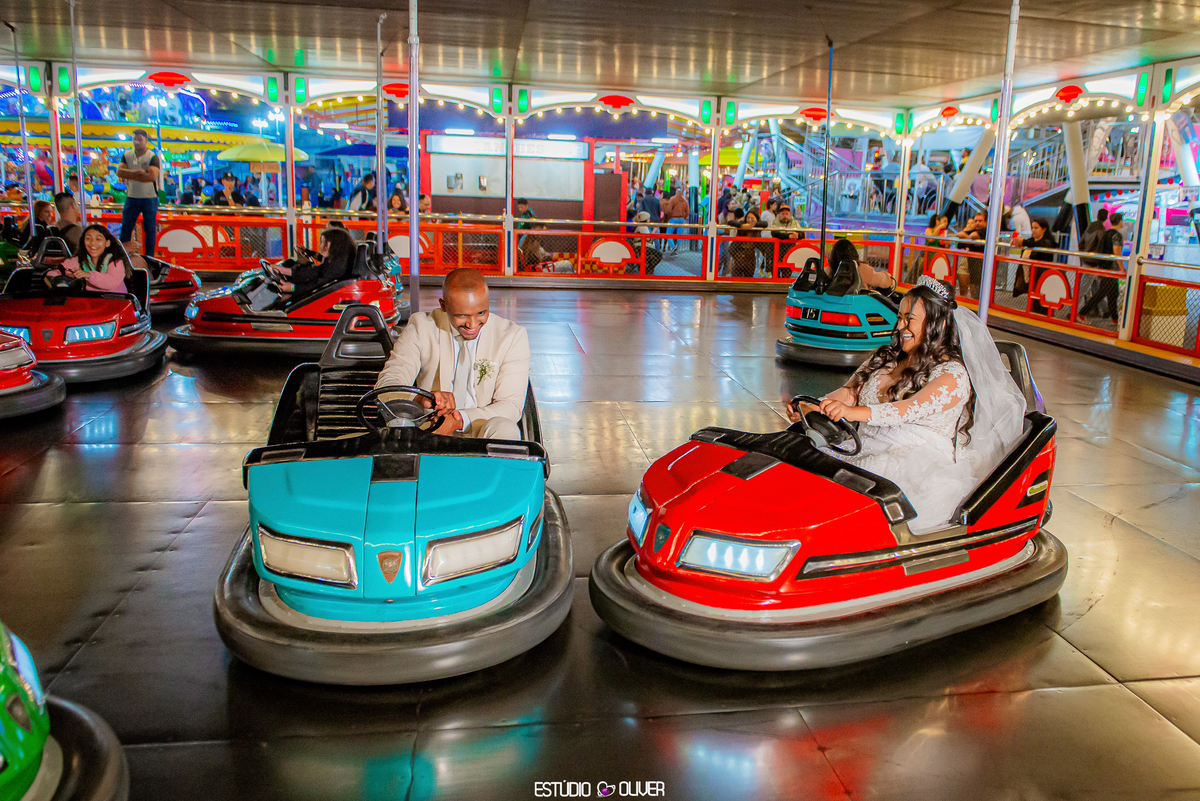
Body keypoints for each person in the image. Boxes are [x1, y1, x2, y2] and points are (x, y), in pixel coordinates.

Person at [785, 275, 1026, 534]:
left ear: (939, 323)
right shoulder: (886, 357)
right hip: (863, 445)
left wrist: (852, 413)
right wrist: (817, 406)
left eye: (909, 319)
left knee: (851, 507)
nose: (900, 326)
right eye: (900, 317)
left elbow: (909, 408)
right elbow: (850, 392)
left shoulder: (952, 374)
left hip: (915, 461)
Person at [376, 267, 530, 440]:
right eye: (462, 315)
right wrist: (420, 400)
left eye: (481, 313)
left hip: (482, 429)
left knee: (506, 429)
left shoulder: (511, 336)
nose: (472, 325)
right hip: (430, 430)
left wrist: (459, 420)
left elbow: (511, 406)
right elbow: (387, 385)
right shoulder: (421, 327)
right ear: (443, 305)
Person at [271, 226, 356, 298]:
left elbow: (317, 286)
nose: (321, 247)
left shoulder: (337, 267)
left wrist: (292, 287)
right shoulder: (333, 262)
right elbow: (314, 272)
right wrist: (284, 270)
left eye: (323, 243)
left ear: (333, 245)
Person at [116, 129, 161, 257]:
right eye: (134, 139)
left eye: (140, 139)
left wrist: (129, 173)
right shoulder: (127, 155)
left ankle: (149, 257)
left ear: (146, 140)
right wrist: (139, 173)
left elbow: (151, 176)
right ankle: (123, 256)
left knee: (150, 230)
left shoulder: (153, 157)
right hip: (131, 197)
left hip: (150, 198)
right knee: (126, 228)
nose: (136, 142)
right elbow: (119, 172)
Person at [58, 224, 133, 294]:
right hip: (91, 302)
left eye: (98, 239)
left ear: (107, 243)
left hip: (116, 301)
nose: (92, 243)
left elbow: (112, 281)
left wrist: (89, 275)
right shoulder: (80, 260)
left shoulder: (114, 261)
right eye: (88, 239)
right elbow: (58, 270)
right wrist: (64, 274)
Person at [1079, 211, 1125, 323]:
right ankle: (1082, 313)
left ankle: (1115, 319)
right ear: (1120, 222)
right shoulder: (1117, 235)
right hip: (1111, 269)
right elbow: (1116, 252)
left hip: (1104, 267)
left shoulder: (1106, 233)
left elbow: (1100, 250)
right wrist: (1122, 268)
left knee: (1113, 294)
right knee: (1102, 294)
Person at [827, 238, 897, 293]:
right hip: (858, 307)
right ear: (854, 253)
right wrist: (887, 276)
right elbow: (885, 283)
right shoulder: (862, 269)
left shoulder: (830, 270)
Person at [956, 210, 987, 297]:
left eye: (980, 221)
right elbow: (959, 234)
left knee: (977, 292)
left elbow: (974, 236)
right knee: (972, 290)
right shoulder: (973, 230)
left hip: (982, 265)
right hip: (972, 265)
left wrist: (968, 238)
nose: (977, 223)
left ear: (985, 222)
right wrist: (970, 239)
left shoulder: (986, 231)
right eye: (976, 221)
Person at [728, 210, 764, 277]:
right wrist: (742, 226)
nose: (749, 220)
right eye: (748, 217)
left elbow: (765, 224)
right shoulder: (742, 223)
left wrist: (754, 225)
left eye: (752, 218)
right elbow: (730, 222)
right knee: (737, 276)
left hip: (750, 255)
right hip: (740, 253)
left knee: (749, 276)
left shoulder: (757, 227)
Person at [662, 188, 690, 253]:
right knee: (679, 235)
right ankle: (677, 250)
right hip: (681, 220)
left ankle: (673, 246)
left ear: (676, 192)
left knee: (668, 234)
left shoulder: (672, 199)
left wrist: (670, 217)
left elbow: (669, 210)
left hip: (673, 219)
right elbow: (688, 212)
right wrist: (684, 218)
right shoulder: (685, 201)